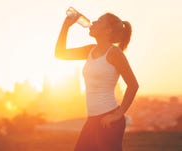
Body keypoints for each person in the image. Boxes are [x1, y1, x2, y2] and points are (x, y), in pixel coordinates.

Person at [55, 12, 139, 151]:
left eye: (99, 21)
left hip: (108, 121)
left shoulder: (114, 53)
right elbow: (60, 53)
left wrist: (118, 114)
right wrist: (66, 27)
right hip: (92, 120)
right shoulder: (90, 50)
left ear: (108, 30)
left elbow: (133, 85)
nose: (93, 22)